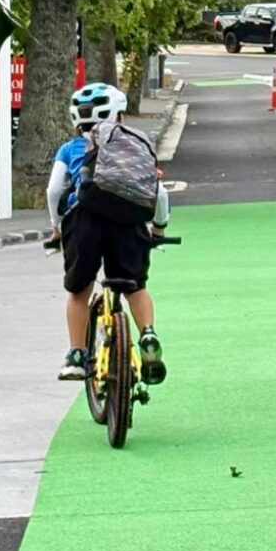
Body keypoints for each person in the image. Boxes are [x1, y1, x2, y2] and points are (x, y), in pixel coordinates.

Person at [46, 82, 169, 384]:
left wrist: (57, 228)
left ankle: (76, 355)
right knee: (134, 286)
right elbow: (160, 194)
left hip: (84, 220)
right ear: (119, 117)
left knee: (79, 289)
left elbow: (53, 190)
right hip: (128, 220)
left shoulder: (69, 149)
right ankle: (148, 335)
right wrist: (159, 228)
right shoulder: (135, 143)